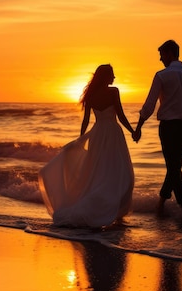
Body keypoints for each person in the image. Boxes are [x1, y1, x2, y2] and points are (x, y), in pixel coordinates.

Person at [39, 64, 135, 228]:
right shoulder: (113, 92)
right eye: (112, 74)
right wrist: (133, 131)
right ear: (105, 76)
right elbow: (120, 114)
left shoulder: (91, 95)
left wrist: (81, 139)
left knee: (100, 172)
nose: (114, 77)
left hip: (97, 134)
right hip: (113, 133)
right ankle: (114, 213)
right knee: (121, 171)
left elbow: (85, 120)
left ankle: (111, 211)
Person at [133, 40, 182, 224]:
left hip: (168, 128)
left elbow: (149, 105)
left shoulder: (161, 75)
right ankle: (162, 204)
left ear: (170, 53)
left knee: (173, 167)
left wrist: (139, 126)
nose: (160, 59)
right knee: (174, 167)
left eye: (162, 55)